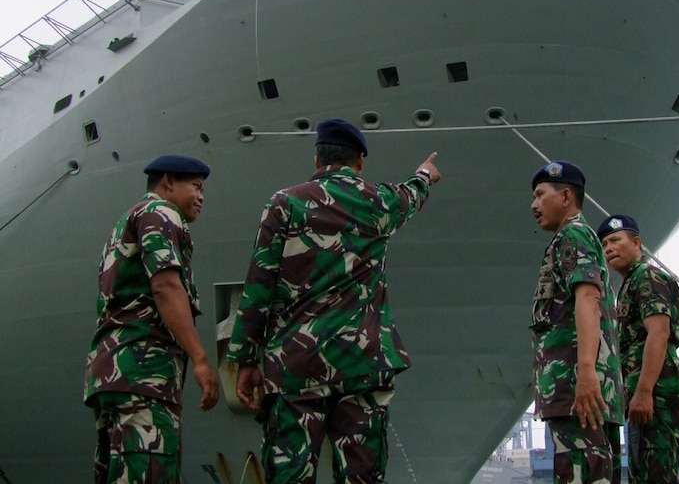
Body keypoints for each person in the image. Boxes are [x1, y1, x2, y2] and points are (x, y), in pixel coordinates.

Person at [226, 118, 441, 483]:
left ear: (316, 160)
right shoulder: (378, 202)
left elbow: (258, 287)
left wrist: (243, 358)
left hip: (296, 366)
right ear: (360, 161)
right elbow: (412, 194)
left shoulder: (282, 205)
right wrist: (424, 173)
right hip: (360, 364)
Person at [83, 155, 220, 484]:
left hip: (114, 373)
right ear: (168, 182)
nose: (201, 196)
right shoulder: (161, 213)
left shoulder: (126, 221)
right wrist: (200, 360)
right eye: (196, 187)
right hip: (143, 375)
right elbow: (165, 285)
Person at [529, 161, 624, 484]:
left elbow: (587, 299)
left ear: (566, 196)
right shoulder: (577, 236)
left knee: (581, 474)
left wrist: (586, 373)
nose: (534, 205)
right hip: (579, 389)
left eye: (541, 195)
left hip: (575, 390)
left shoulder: (572, 235)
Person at [597, 214, 679, 484]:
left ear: (637, 243)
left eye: (616, 240)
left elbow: (659, 333)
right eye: (604, 245)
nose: (609, 249)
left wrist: (643, 392)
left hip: (659, 397)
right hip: (646, 399)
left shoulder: (647, 277)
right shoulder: (629, 284)